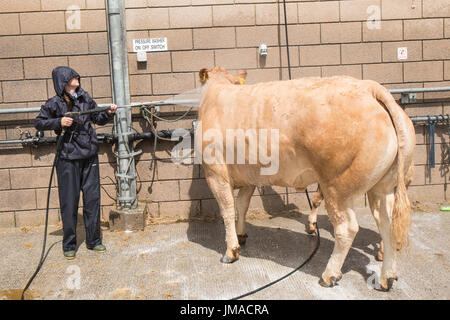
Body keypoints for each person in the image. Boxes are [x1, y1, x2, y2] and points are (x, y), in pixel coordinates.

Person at [35, 66, 117, 260]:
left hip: (89, 155)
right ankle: (69, 244)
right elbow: (39, 122)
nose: (77, 78)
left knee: (92, 200)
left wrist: (109, 113)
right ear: (63, 82)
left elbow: (98, 117)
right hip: (67, 158)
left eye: (77, 76)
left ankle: (94, 240)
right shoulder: (54, 103)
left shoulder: (85, 98)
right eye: (72, 76)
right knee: (69, 202)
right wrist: (59, 122)